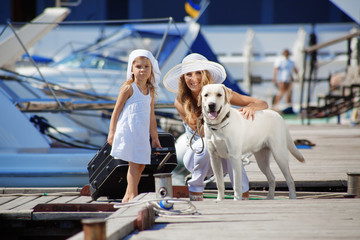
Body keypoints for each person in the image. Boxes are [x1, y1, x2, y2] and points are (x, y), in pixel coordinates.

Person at [163, 53, 268, 201]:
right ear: (183, 78)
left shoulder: (222, 93)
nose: (194, 78)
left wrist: (250, 108)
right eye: (188, 74)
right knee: (208, 143)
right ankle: (196, 189)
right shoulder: (181, 102)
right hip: (196, 156)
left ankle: (243, 193)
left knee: (230, 145)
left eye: (198, 72)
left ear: (205, 74)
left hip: (222, 156)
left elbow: (263, 103)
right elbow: (203, 133)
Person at [107, 49, 162, 203]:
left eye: (146, 67)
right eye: (138, 66)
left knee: (141, 164)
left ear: (151, 69)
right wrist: (112, 132)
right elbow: (116, 111)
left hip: (142, 132)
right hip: (129, 130)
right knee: (134, 163)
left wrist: (155, 137)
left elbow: (151, 115)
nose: (142, 70)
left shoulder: (150, 90)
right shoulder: (129, 88)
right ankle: (134, 196)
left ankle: (127, 196)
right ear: (131, 68)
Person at [272, 49, 299, 113]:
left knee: (289, 94)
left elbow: (295, 69)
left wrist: (298, 77)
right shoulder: (280, 61)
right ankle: (275, 106)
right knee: (281, 93)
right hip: (282, 79)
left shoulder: (291, 61)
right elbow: (276, 69)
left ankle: (289, 107)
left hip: (289, 79)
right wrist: (275, 78)